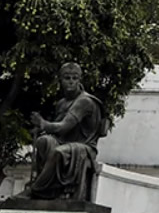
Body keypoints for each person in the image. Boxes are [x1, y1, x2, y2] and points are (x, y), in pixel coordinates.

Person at [20, 62, 105, 201]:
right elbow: (57, 131)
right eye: (67, 78)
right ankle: (51, 192)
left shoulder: (85, 101)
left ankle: (36, 190)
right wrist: (41, 129)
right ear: (61, 80)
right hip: (64, 141)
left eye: (74, 78)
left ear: (79, 80)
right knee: (44, 141)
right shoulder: (61, 103)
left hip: (84, 147)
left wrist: (43, 123)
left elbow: (63, 127)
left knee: (59, 152)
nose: (71, 81)